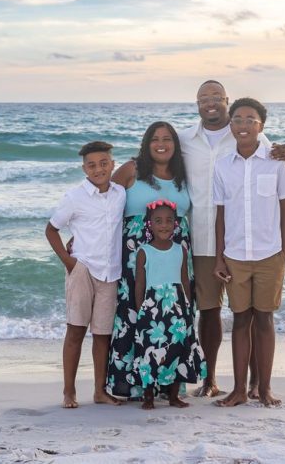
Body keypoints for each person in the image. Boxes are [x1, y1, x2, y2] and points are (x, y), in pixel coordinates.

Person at [178, 80, 285, 398]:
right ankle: (210, 380)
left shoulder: (251, 135)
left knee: (253, 313)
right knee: (209, 310)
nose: (210, 102)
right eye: (204, 97)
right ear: (197, 103)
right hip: (202, 236)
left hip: (247, 242)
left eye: (217, 96)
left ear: (226, 101)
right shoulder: (184, 139)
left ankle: (256, 383)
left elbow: (280, 177)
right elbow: (159, 162)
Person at [212, 98, 285, 407]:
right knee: (240, 320)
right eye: (237, 119)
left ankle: (265, 388)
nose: (243, 125)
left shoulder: (277, 163)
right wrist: (219, 257)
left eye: (250, 119)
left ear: (261, 126)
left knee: (264, 320)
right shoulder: (222, 166)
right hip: (235, 256)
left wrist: (283, 253)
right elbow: (220, 215)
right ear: (230, 125)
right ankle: (239, 390)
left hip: (269, 255)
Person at [106, 121, 195, 399]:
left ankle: (170, 385)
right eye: (155, 139)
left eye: (167, 139)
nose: (161, 144)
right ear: (146, 143)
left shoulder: (183, 174)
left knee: (174, 315)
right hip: (136, 253)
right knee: (135, 310)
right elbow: (102, 204)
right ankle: (133, 384)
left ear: (175, 145)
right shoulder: (131, 170)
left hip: (176, 254)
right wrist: (81, 236)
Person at [45, 141, 125, 409]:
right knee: (76, 331)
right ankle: (69, 392)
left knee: (103, 335)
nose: (98, 169)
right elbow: (51, 229)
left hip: (111, 273)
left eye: (104, 163)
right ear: (84, 169)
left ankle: (100, 391)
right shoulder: (74, 197)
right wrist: (69, 262)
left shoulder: (120, 193)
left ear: (112, 165)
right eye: (92, 165)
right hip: (83, 270)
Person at [133, 199, 206, 410]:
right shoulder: (144, 251)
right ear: (150, 224)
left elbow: (185, 280)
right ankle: (148, 396)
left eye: (168, 221)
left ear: (175, 223)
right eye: (158, 221)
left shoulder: (180, 250)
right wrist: (140, 310)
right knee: (150, 351)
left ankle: (174, 396)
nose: (164, 225)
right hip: (151, 308)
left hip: (176, 307)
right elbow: (140, 285)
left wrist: (187, 308)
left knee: (177, 349)